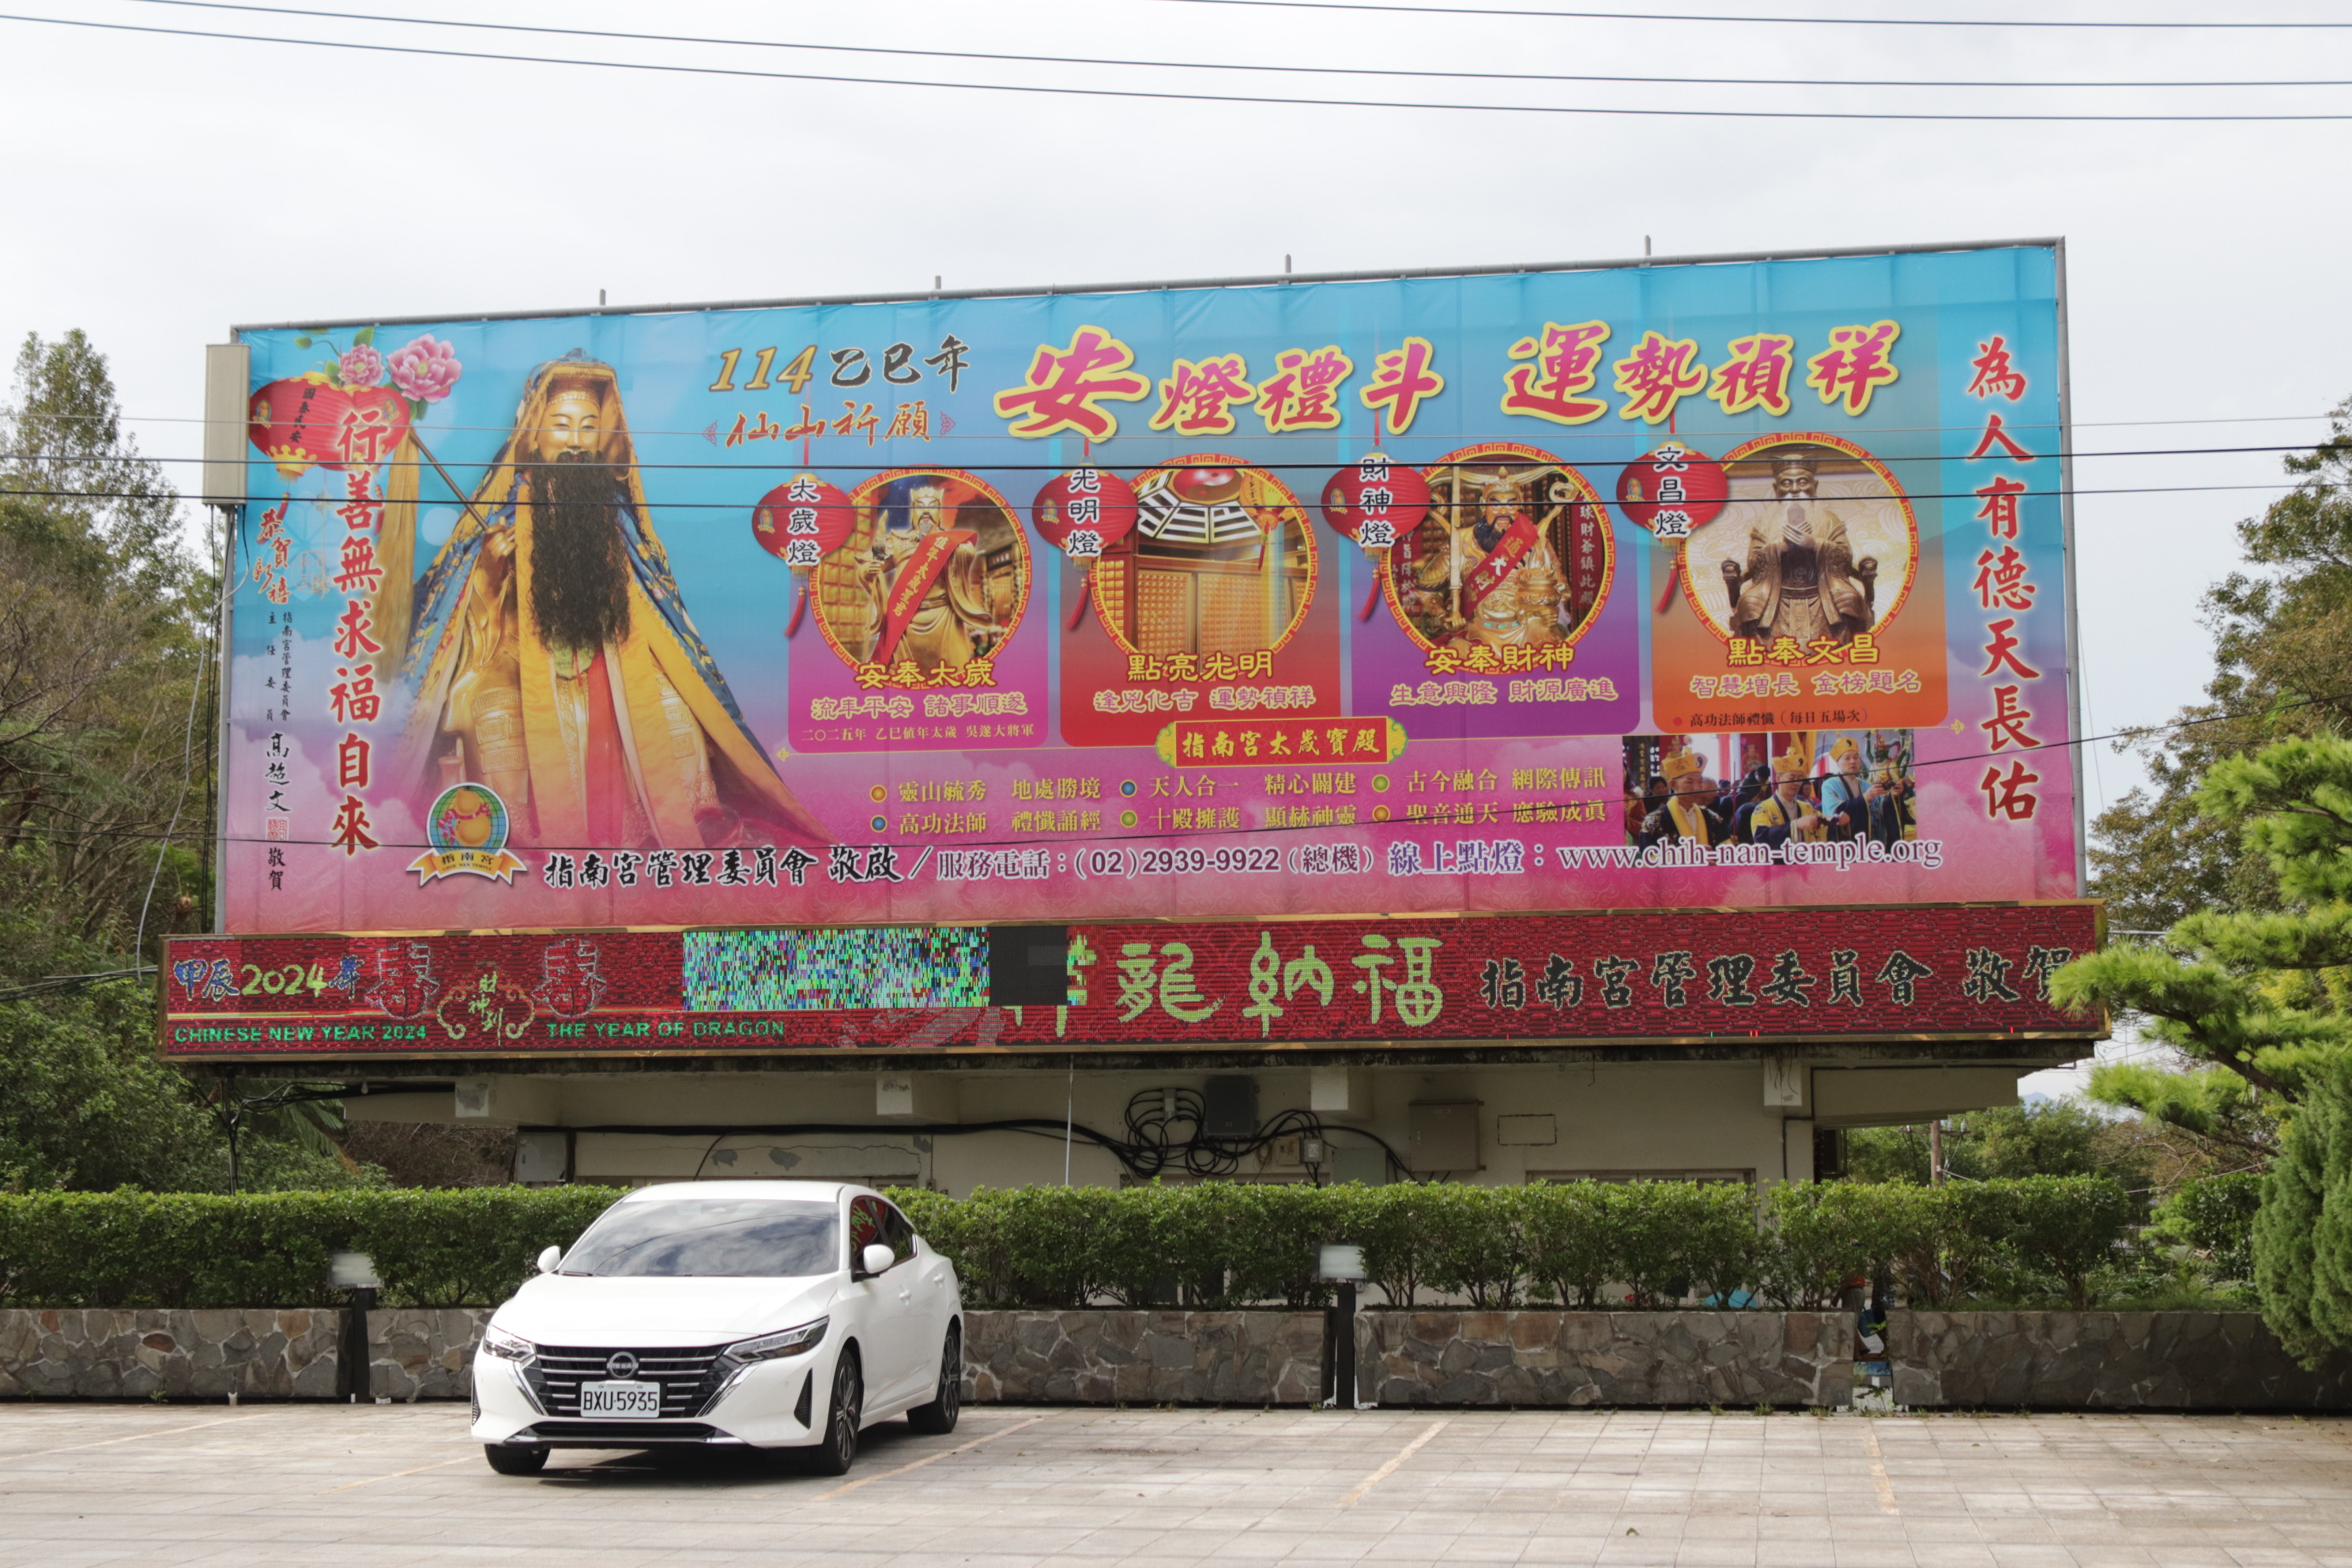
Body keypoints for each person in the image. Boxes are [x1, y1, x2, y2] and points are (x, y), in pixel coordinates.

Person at [396, 353, 827, 851]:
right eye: (561, 425)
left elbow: (655, 601)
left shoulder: (615, 514)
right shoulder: (503, 510)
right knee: (493, 709)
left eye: (588, 427)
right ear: (533, 435)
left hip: (613, 653)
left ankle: (690, 818)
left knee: (675, 704)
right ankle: (520, 838)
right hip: (519, 658)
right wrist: (492, 572)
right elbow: (458, 617)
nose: (576, 440)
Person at [1721, 451, 1875, 647]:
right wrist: (1780, 548)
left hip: (1823, 591)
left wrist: (1815, 545)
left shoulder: (1828, 519)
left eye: (1802, 482)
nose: (1794, 490)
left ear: (1814, 486)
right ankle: (1762, 657)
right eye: (1787, 484)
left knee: (1850, 600)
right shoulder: (1765, 524)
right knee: (1749, 605)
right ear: (1775, 488)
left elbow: (1845, 556)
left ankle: (1841, 652)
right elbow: (1754, 561)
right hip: (1775, 595)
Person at [1736, 745, 1827, 849]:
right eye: (1792, 778)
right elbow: (1761, 837)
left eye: (1800, 778)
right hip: (1778, 864)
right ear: (1779, 779)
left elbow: (1826, 823)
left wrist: (1836, 819)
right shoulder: (1763, 809)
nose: (1797, 783)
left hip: (1806, 863)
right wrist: (1795, 826)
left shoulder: (1808, 808)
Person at [1636, 750, 1728, 849]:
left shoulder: (1713, 818)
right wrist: (1689, 857)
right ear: (1673, 785)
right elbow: (1649, 857)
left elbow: (1727, 852)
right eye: (1689, 782)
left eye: (1700, 782)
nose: (1697, 788)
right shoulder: (1654, 821)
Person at [1818, 737, 1871, 842]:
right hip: (1839, 841)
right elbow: (1836, 812)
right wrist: (1864, 799)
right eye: (1847, 758)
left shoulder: (1866, 785)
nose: (1853, 762)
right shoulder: (1829, 785)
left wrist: (1895, 794)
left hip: (1865, 838)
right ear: (1838, 763)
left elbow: (1879, 807)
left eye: (1856, 758)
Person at [1866, 760, 1917, 846]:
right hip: (1878, 801)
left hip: (1889, 798)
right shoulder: (1874, 765)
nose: (1877, 751)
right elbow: (1870, 782)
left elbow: (1896, 781)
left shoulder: (1891, 765)